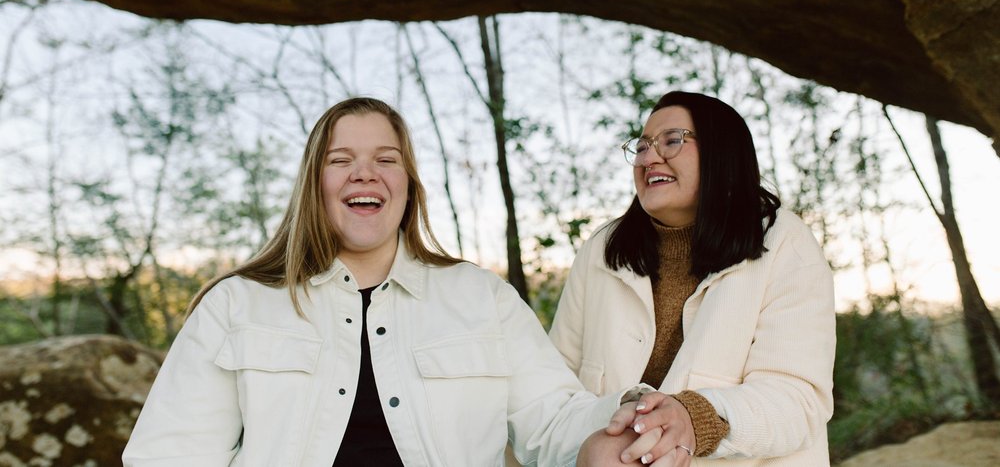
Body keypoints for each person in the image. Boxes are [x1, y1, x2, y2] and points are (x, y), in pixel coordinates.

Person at [122, 97, 638, 467]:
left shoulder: (482, 298)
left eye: (386, 161)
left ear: (408, 186)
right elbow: (172, 453)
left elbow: (552, 421)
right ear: (314, 187)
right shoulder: (235, 304)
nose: (364, 173)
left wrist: (627, 416)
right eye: (340, 160)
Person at [558, 91, 836, 466]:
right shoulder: (601, 249)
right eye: (641, 147)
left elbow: (798, 399)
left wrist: (694, 416)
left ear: (722, 153)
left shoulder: (786, 242)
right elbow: (558, 386)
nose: (649, 158)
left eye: (672, 140)